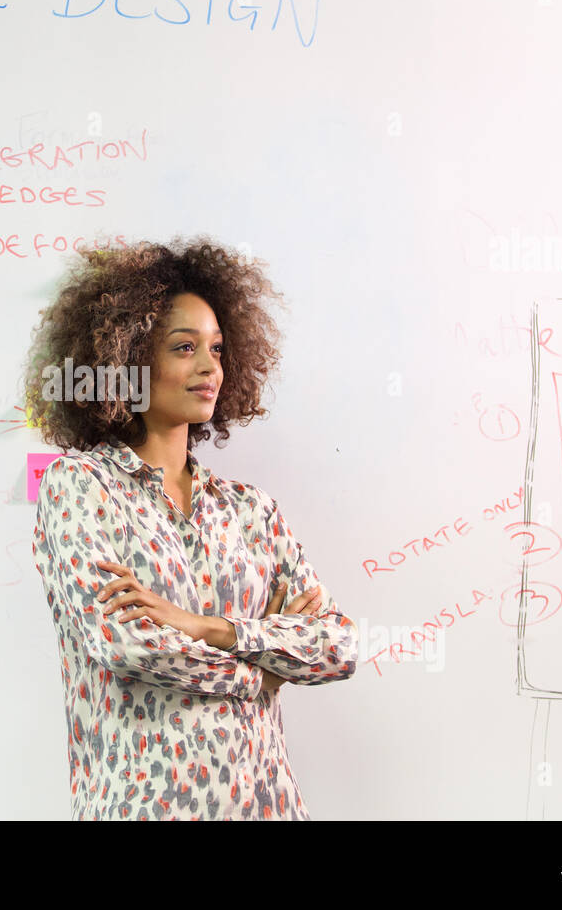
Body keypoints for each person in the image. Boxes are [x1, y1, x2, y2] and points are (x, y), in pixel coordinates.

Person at [23, 234, 358, 820]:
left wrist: (211, 629)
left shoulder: (251, 511)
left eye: (219, 349)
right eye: (184, 347)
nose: (210, 367)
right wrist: (265, 669)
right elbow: (126, 643)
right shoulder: (78, 486)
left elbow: (338, 647)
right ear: (125, 362)